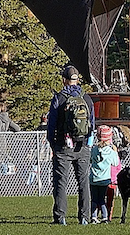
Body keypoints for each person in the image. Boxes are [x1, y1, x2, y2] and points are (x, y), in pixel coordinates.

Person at [47, 64, 95, 226]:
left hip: (63, 145)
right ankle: (84, 217)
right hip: (82, 146)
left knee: (61, 182)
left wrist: (53, 144)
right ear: (77, 80)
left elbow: (51, 124)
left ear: (64, 80)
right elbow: (92, 124)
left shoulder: (59, 98)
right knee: (83, 182)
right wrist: (88, 143)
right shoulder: (87, 98)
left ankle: (60, 217)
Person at [91, 125, 120, 223]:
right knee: (102, 199)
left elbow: (90, 159)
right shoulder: (111, 152)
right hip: (104, 179)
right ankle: (104, 217)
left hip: (94, 178)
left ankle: (94, 217)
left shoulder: (94, 150)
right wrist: (115, 152)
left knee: (94, 199)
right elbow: (115, 163)